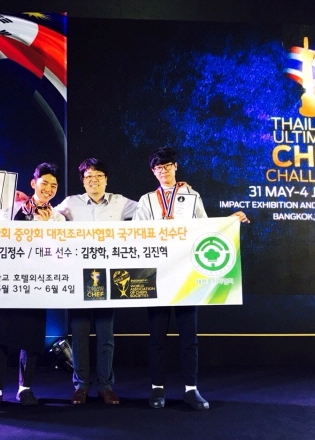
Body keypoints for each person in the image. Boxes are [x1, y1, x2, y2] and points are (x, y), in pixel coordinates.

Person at [133, 147, 249, 411]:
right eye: (158, 168)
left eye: (167, 166)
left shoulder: (192, 196)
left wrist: (229, 221)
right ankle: (157, 388)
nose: (163, 171)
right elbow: (137, 233)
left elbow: (205, 229)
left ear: (175, 166)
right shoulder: (147, 200)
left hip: (187, 274)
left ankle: (191, 389)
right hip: (157, 275)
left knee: (189, 335)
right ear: (153, 172)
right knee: (157, 336)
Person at [0, 163, 65, 410]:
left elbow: (58, 252)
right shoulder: (12, 207)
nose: (48, 189)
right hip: (5, 279)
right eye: (44, 183)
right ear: (33, 183)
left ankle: (25, 389)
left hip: (35, 282)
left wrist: (45, 227)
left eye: (54, 185)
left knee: (31, 336)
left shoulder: (57, 218)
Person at [55, 158, 137, 405]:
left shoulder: (120, 202)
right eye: (89, 176)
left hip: (108, 276)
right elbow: (47, 218)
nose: (94, 180)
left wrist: (173, 192)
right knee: (79, 334)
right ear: (83, 181)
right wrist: (24, 202)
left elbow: (150, 210)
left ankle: (105, 386)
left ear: (106, 179)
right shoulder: (71, 203)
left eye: (98, 176)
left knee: (105, 335)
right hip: (78, 276)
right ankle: (81, 385)